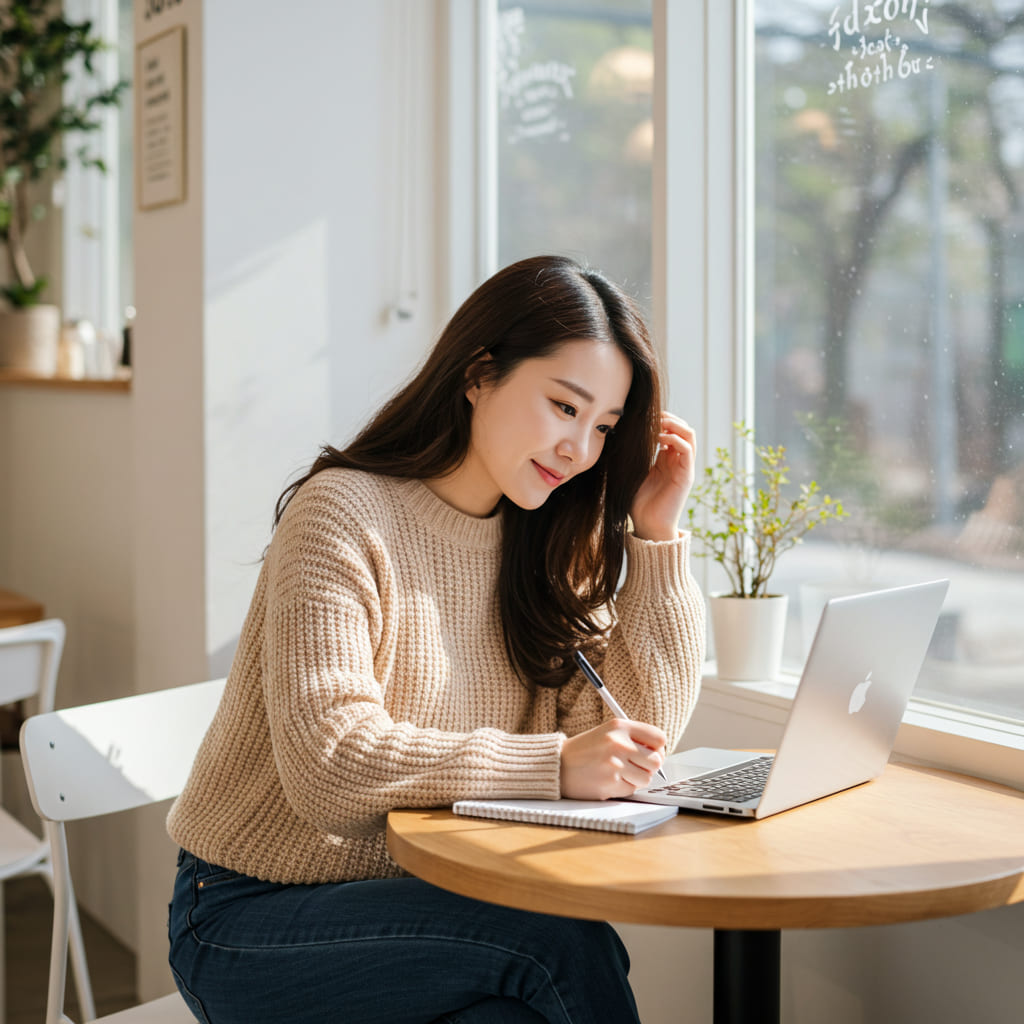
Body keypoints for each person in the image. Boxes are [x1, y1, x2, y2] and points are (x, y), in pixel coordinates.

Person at [166, 254, 706, 1024]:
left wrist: (654, 535)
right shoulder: (342, 514)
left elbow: (622, 743)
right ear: (479, 374)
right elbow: (332, 765)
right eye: (563, 406)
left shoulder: (545, 543)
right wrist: (553, 765)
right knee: (561, 944)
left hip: (436, 906)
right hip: (247, 915)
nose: (579, 450)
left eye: (605, 428)